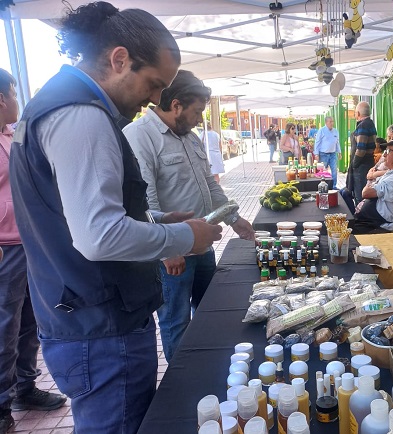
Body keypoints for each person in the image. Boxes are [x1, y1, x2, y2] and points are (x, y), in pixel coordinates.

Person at [8, 3, 223, 433]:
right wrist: (182, 237)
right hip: (99, 327)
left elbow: (77, 214)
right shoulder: (82, 115)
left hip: (88, 319)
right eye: (154, 84)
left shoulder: (66, 106)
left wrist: (159, 221)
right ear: (119, 59)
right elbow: (98, 236)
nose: (156, 99)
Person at [123, 70, 256, 362]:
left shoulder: (191, 137)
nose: (199, 120)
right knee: (176, 321)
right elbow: (144, 201)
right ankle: (182, 382)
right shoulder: (140, 136)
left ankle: (212, 366)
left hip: (202, 245)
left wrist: (234, 218)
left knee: (212, 310)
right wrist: (167, 249)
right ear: (176, 105)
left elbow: (210, 184)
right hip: (172, 254)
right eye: (196, 112)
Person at [0, 69, 66, 434]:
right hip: (3, 249)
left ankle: (24, 387)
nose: (16, 98)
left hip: (29, 243)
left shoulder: (14, 135)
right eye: (13, 91)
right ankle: (0, 405)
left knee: (29, 323)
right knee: (4, 326)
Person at [352, 136, 393, 234]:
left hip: (376, 225)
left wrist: (371, 179)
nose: (384, 155)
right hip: (369, 220)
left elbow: (366, 193)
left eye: (388, 151)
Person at [348, 101, 377, 204]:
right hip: (368, 162)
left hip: (362, 165)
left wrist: (354, 164)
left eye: (355, 112)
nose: (355, 114)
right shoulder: (370, 123)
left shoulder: (363, 126)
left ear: (358, 114)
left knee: (360, 195)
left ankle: (360, 217)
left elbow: (361, 149)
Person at [367, 123, 393, 188]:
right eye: (389, 137)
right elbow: (377, 165)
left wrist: (374, 174)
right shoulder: (387, 151)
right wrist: (371, 171)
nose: (390, 140)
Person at [313, 116, 341, 189]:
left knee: (334, 171)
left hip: (333, 154)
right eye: (330, 122)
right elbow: (317, 142)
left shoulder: (335, 131)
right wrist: (316, 153)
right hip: (323, 154)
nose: (332, 123)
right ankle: (322, 186)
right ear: (326, 122)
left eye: (332, 121)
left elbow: (337, 142)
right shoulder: (321, 130)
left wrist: (339, 152)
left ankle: (334, 186)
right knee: (322, 172)